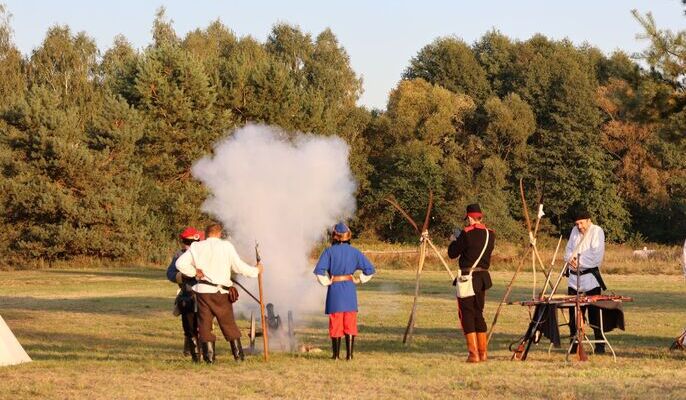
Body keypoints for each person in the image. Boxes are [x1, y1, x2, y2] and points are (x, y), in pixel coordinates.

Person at [175, 223, 262, 363]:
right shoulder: (226, 246)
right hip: (221, 292)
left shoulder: (196, 247)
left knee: (204, 325)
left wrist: (194, 272)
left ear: (206, 233)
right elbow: (239, 267)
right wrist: (256, 271)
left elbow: (180, 264)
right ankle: (238, 357)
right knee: (228, 324)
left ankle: (209, 359)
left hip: (203, 292)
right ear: (219, 234)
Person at [313, 223, 375, 360]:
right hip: (349, 290)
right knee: (350, 322)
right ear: (348, 236)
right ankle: (350, 355)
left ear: (334, 236)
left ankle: (335, 356)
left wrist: (326, 282)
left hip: (335, 290)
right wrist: (360, 279)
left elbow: (319, 272)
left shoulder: (328, 252)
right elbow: (370, 270)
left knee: (336, 322)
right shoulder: (355, 252)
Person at [448, 203, 495, 363]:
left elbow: (452, 253)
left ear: (469, 217)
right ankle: (483, 353)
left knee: (466, 314)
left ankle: (473, 354)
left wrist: (454, 239)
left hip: (468, 278)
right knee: (478, 313)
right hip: (482, 279)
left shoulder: (466, 234)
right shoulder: (491, 234)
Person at [563, 208, 606, 354]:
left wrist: (578, 261)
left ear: (588, 220)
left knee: (594, 314)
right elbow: (568, 250)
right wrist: (570, 259)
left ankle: (600, 346)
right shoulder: (574, 231)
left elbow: (596, 257)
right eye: (577, 224)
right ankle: (574, 345)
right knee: (573, 315)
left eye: (581, 223)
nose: (579, 226)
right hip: (574, 279)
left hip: (590, 279)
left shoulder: (597, 231)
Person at [166, 227, 204, 362]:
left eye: (187, 242)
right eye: (185, 241)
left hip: (205, 294)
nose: (185, 244)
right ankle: (190, 350)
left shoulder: (205, 254)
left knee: (203, 325)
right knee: (189, 324)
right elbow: (170, 274)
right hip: (188, 294)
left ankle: (205, 351)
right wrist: (182, 276)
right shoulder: (179, 255)